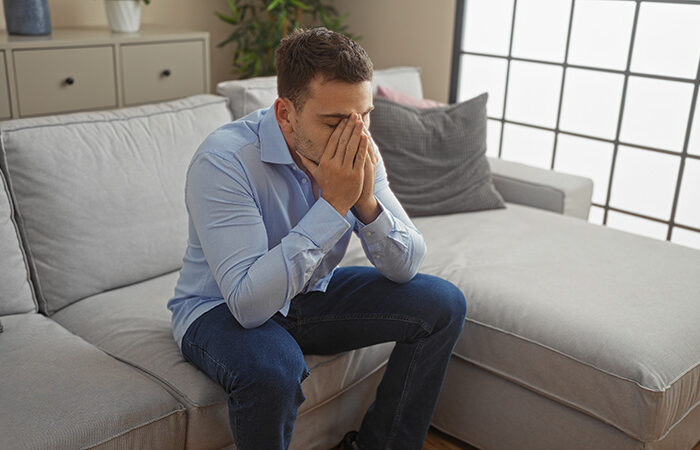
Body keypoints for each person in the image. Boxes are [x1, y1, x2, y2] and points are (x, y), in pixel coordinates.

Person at [166, 26, 467, 450]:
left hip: (308, 293)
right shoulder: (224, 161)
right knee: (275, 369)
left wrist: (364, 202)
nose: (355, 134)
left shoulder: (359, 145)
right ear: (285, 113)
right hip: (218, 307)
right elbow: (248, 304)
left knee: (443, 303)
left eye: (364, 116)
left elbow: (407, 264)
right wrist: (332, 207)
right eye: (334, 121)